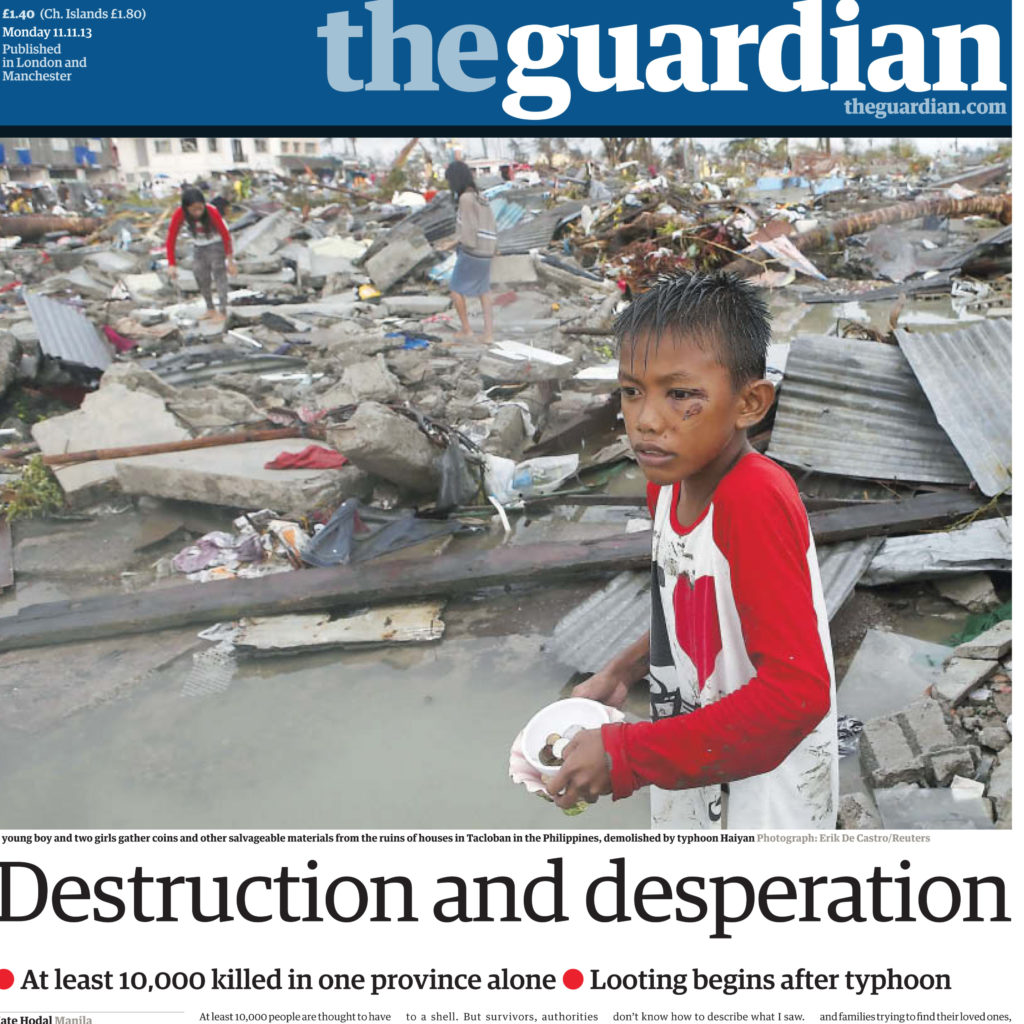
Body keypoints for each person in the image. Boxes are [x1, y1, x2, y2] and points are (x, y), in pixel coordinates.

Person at [547, 272, 838, 830]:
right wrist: (622, 670)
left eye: (680, 395)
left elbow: (797, 696)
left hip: (765, 800)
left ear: (750, 402)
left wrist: (626, 754)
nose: (646, 420)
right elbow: (688, 606)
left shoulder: (752, 499)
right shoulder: (668, 484)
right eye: (633, 391)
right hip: (698, 758)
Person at [166, 186, 236, 322]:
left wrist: (230, 261)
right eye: (193, 210)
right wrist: (171, 264)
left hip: (217, 243)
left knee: (219, 273)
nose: (197, 212)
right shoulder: (179, 214)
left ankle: (222, 311)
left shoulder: (212, 211)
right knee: (200, 275)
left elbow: (226, 236)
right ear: (186, 208)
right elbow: (171, 239)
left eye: (200, 208)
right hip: (199, 245)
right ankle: (210, 308)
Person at [445, 160, 496, 342]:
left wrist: (452, 244)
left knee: (455, 289)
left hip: (473, 251)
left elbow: (469, 230)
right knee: (484, 291)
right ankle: (488, 334)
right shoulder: (481, 197)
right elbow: (490, 224)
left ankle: (466, 329)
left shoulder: (465, 199)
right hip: (487, 250)